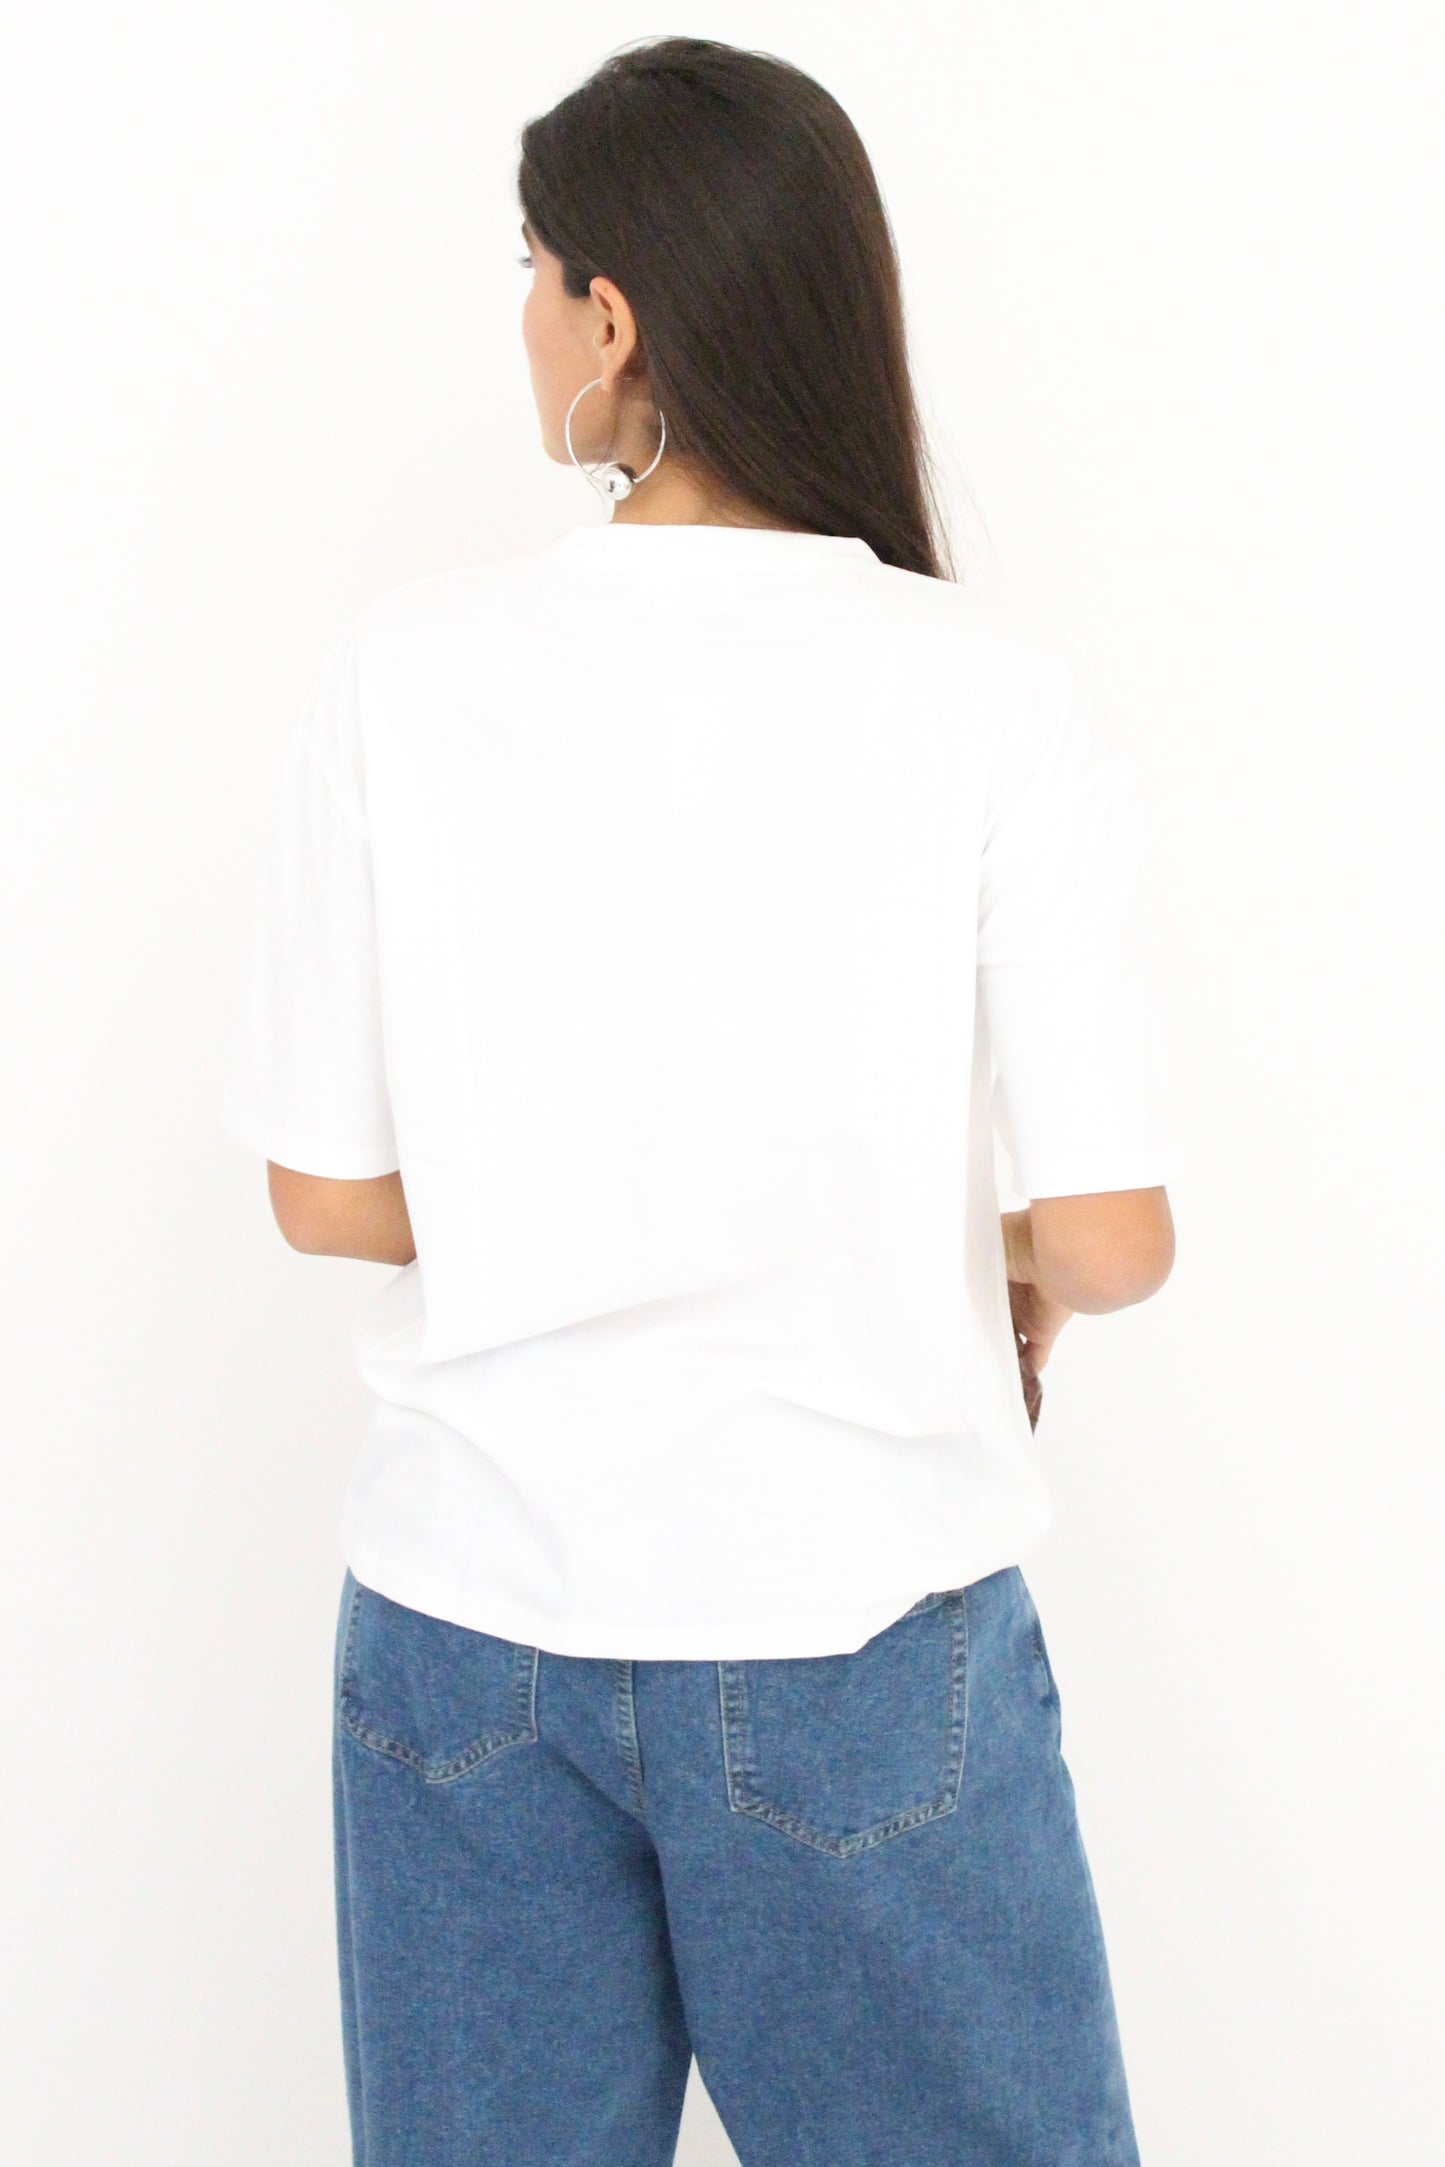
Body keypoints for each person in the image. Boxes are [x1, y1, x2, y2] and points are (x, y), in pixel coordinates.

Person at [221, 34, 1175, 2167]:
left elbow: (325, 1192)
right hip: (854, 1626)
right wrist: (970, 1247)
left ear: (613, 317)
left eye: (530, 267)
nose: (520, 314)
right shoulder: (993, 690)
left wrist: (578, 1204)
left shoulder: (403, 668)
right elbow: (1112, 1244)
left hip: (466, 1625)